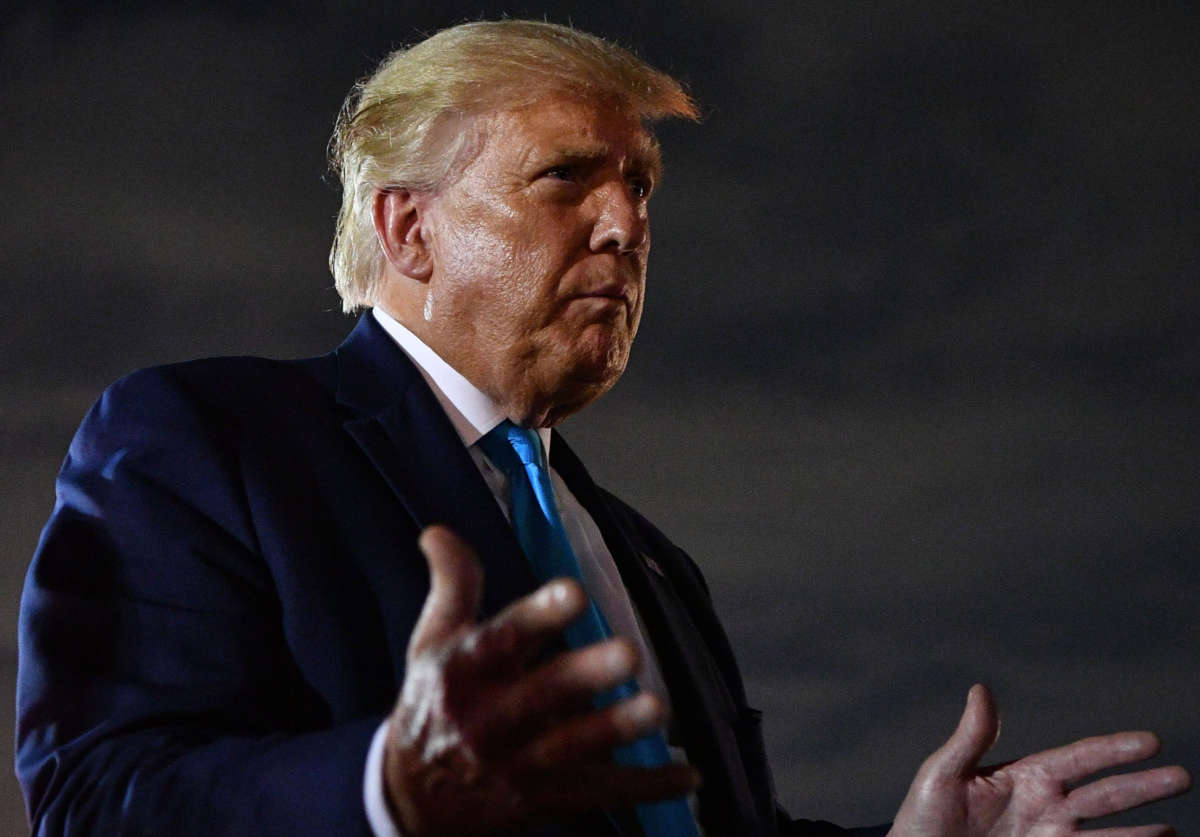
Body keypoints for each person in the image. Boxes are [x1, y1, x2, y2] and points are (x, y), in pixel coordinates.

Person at [16, 19, 1189, 837]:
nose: (626, 224)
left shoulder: (643, 556)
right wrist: (386, 791)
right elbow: (100, 796)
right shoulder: (204, 438)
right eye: (567, 178)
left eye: (642, 186)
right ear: (409, 231)